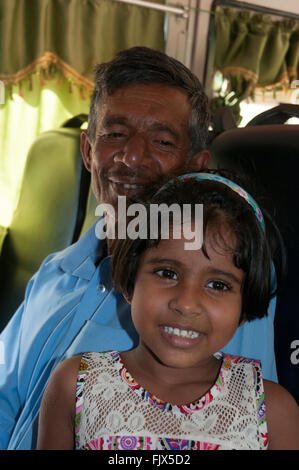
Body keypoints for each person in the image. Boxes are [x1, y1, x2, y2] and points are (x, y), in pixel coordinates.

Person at [0, 47, 276, 451]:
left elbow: (241, 424)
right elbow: (7, 397)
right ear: (88, 152)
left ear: (194, 166)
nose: (131, 157)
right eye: (115, 135)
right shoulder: (53, 273)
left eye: (162, 141)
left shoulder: (219, 295)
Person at [36, 172, 299, 450]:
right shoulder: (74, 386)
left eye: (217, 285)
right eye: (167, 273)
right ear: (129, 280)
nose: (186, 303)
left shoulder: (274, 413)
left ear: (245, 304)